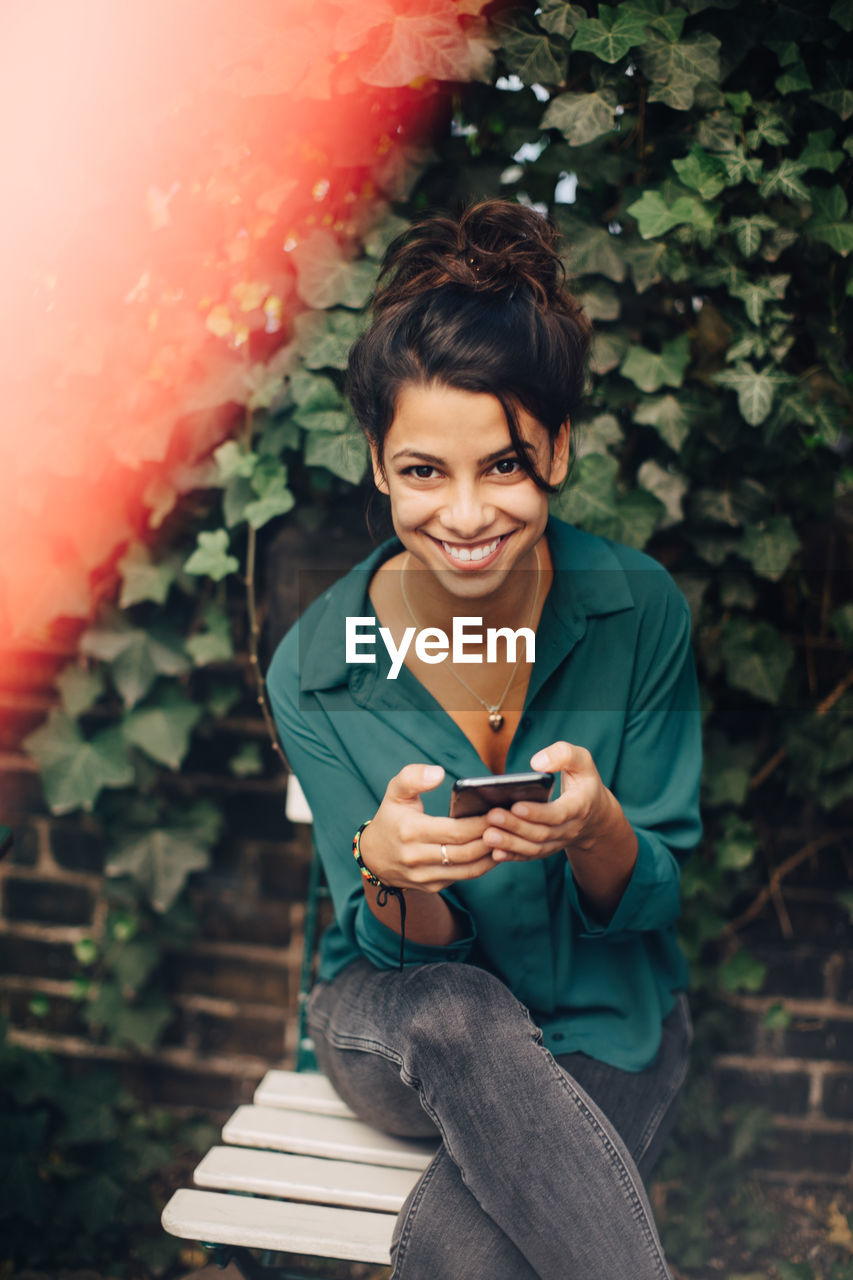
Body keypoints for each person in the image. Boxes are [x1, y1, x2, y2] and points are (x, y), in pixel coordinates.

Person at [266, 200, 702, 1280]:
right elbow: (393, 951)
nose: (463, 516)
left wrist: (598, 823)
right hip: (398, 1017)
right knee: (459, 1009)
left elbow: (650, 895)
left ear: (556, 447)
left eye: (502, 465)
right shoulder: (318, 668)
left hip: (608, 1013)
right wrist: (389, 866)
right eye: (423, 471)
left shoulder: (636, 610)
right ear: (376, 460)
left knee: (469, 1258)